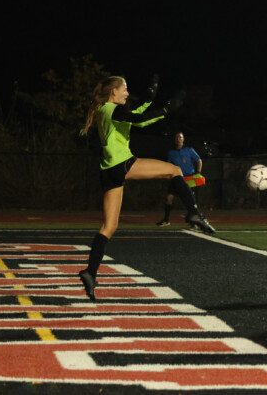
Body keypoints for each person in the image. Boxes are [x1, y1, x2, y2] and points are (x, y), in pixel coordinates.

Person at [77, 75, 215, 301]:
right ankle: (193, 212)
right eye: (125, 89)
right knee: (175, 171)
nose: (127, 93)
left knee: (108, 227)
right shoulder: (113, 109)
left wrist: (150, 101)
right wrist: (166, 110)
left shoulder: (105, 109)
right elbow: (140, 121)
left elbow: (136, 116)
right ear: (114, 92)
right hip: (122, 164)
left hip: (108, 171)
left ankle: (90, 272)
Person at [156, 131, 203, 228]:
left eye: (180, 137)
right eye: (177, 137)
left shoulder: (189, 150)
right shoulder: (171, 152)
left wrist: (198, 172)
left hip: (189, 178)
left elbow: (199, 160)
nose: (178, 139)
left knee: (191, 200)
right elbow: (169, 165)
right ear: (174, 139)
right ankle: (166, 220)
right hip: (176, 178)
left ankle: (193, 221)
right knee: (169, 198)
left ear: (183, 139)